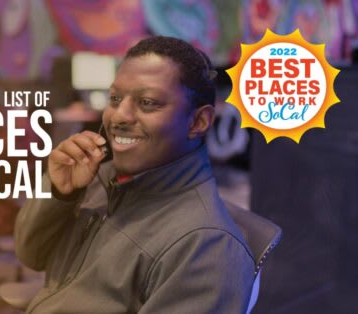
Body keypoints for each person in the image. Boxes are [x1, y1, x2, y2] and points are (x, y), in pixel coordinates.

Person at [14, 36, 256, 313]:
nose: (119, 116)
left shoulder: (208, 249)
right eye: (115, 98)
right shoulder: (101, 181)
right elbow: (31, 254)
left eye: (148, 102)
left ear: (198, 122)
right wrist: (61, 194)